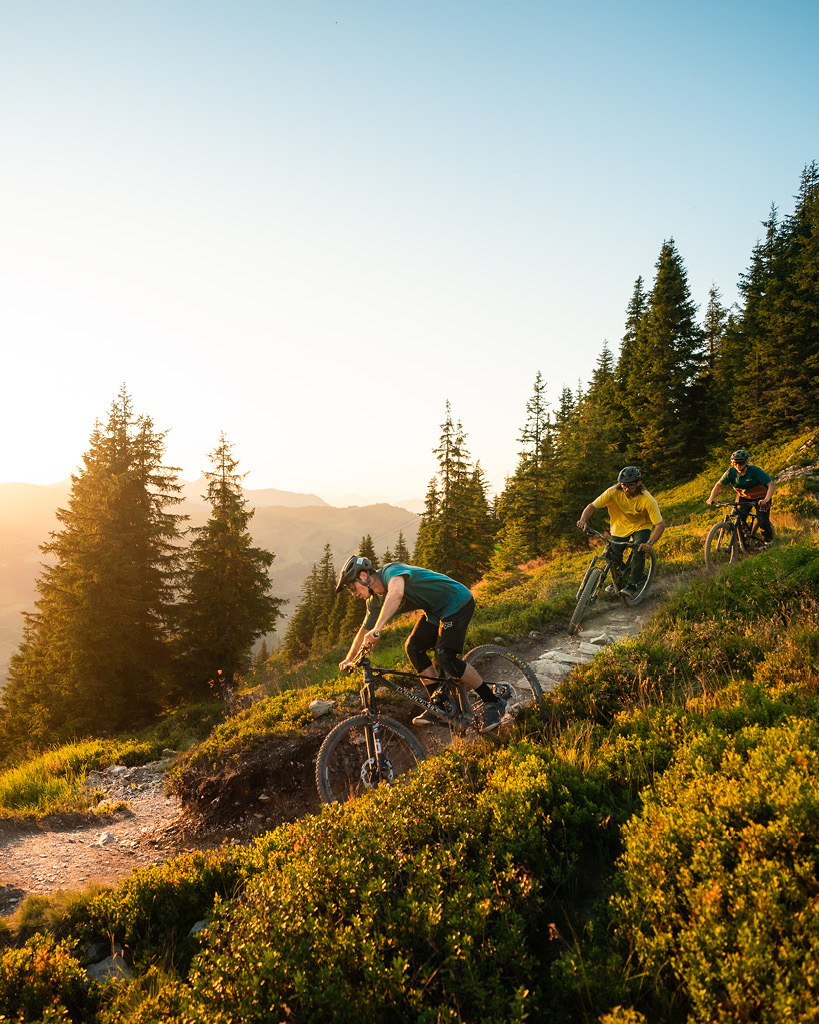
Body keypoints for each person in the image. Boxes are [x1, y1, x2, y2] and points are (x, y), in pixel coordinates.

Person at [336, 555, 507, 733]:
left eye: (351, 586)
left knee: (444, 656)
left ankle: (493, 702)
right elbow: (363, 631)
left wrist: (378, 629)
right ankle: (439, 703)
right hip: (435, 612)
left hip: (456, 601)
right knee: (413, 648)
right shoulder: (374, 602)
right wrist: (349, 659)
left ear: (363, 576)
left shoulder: (390, 573)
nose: (352, 592)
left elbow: (396, 593)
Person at [576, 466, 666, 594]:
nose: (626, 488)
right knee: (613, 552)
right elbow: (592, 506)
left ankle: (634, 582)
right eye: (624, 485)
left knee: (638, 549)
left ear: (638, 483)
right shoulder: (612, 492)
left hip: (641, 526)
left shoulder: (647, 500)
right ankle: (619, 580)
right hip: (620, 526)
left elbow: (660, 525)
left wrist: (649, 543)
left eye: (631, 485)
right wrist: (583, 519)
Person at [706, 449, 775, 542]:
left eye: (741, 463)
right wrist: (711, 498)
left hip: (761, 496)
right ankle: (741, 541)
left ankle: (768, 541)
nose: (738, 465)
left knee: (762, 521)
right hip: (744, 496)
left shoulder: (755, 471)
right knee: (736, 518)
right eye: (735, 463)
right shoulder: (731, 472)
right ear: (732, 463)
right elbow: (719, 485)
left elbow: (771, 484)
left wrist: (766, 499)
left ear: (746, 462)